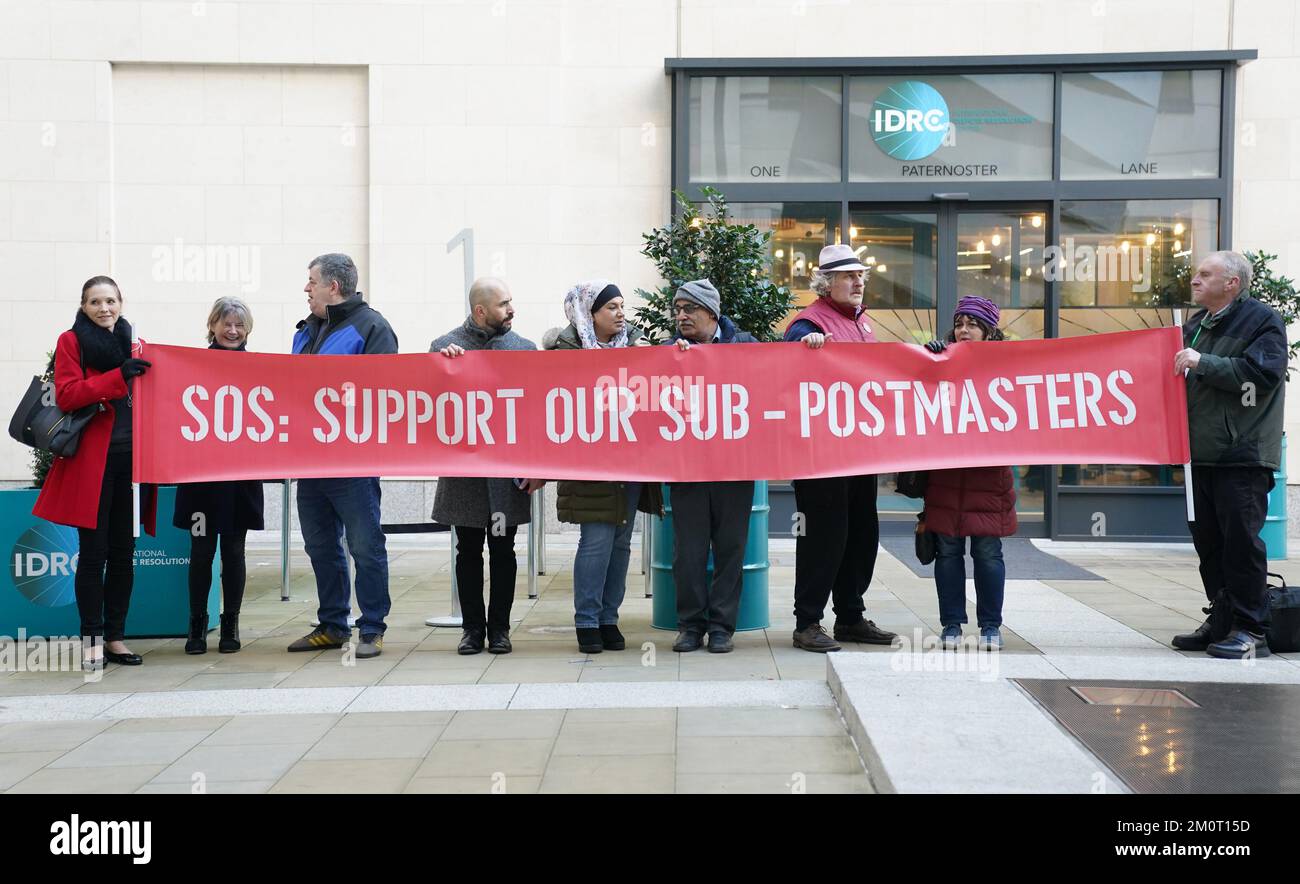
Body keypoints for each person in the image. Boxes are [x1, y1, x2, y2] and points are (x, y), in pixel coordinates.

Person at [33, 276, 156, 671]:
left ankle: (116, 639)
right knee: (93, 554)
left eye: (110, 301)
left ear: (121, 303)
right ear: (83, 306)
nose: (104, 308)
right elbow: (67, 394)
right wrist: (118, 376)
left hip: (130, 461)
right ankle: (91, 641)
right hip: (92, 460)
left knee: (124, 553)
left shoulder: (133, 340)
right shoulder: (71, 341)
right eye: (95, 302)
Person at [1172, 250, 1286, 659]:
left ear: (1232, 283)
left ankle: (1252, 629)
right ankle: (1222, 619)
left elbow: (1263, 375)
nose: (1195, 280)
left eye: (1205, 274)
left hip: (1242, 453)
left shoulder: (1262, 321)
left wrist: (1204, 362)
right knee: (1210, 543)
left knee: (1241, 543)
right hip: (1199, 454)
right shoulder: (1195, 325)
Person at [784, 244, 896, 653]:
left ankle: (850, 616)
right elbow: (788, 363)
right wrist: (807, 344)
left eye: (861, 275)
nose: (859, 282)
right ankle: (807, 622)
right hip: (822, 457)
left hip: (860, 451)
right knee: (822, 539)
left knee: (861, 535)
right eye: (849, 276)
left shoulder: (862, 324)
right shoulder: (808, 323)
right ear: (826, 282)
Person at [287, 253, 397, 659]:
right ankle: (333, 624)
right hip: (310, 462)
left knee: (365, 545)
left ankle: (371, 627)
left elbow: (385, 394)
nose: (306, 288)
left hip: (353, 464)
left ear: (332, 286)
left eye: (311, 281)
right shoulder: (305, 331)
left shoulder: (373, 328)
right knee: (320, 546)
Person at [545, 280, 663, 654]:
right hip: (589, 464)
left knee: (621, 543)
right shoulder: (564, 351)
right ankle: (587, 621)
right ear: (589, 313)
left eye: (622, 306)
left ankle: (609, 617)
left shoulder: (636, 347)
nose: (620, 313)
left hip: (629, 464)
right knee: (595, 542)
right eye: (611, 307)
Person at [432, 277, 545, 655]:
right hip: (463, 474)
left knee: (502, 550)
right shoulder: (444, 347)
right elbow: (429, 406)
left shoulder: (525, 350)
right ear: (480, 311)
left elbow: (536, 416)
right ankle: (471, 630)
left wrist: (537, 467)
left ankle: (499, 630)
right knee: (466, 551)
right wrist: (440, 369)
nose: (512, 310)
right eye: (503, 304)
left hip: (504, 474)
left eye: (511, 302)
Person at [666, 279, 756, 654]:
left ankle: (722, 627)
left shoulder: (747, 347)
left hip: (735, 469)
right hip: (688, 469)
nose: (681, 315)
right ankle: (690, 626)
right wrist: (674, 360)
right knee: (688, 551)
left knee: (730, 548)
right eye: (678, 309)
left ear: (711, 313)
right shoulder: (671, 351)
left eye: (689, 308)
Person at [923, 297, 1017, 651]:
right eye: (959, 323)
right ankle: (951, 625)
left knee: (988, 552)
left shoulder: (1009, 367)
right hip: (946, 476)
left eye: (972, 324)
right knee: (947, 552)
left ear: (989, 331)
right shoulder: (938, 358)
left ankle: (991, 626)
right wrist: (928, 357)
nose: (963, 330)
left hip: (987, 479)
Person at [173, 297, 265, 655]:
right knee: (201, 552)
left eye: (239, 325)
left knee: (234, 551)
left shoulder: (260, 368)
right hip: (201, 478)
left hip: (241, 476)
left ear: (248, 329)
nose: (232, 330)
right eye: (225, 323)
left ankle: (231, 624)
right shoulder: (191, 365)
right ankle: (196, 625)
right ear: (211, 326)